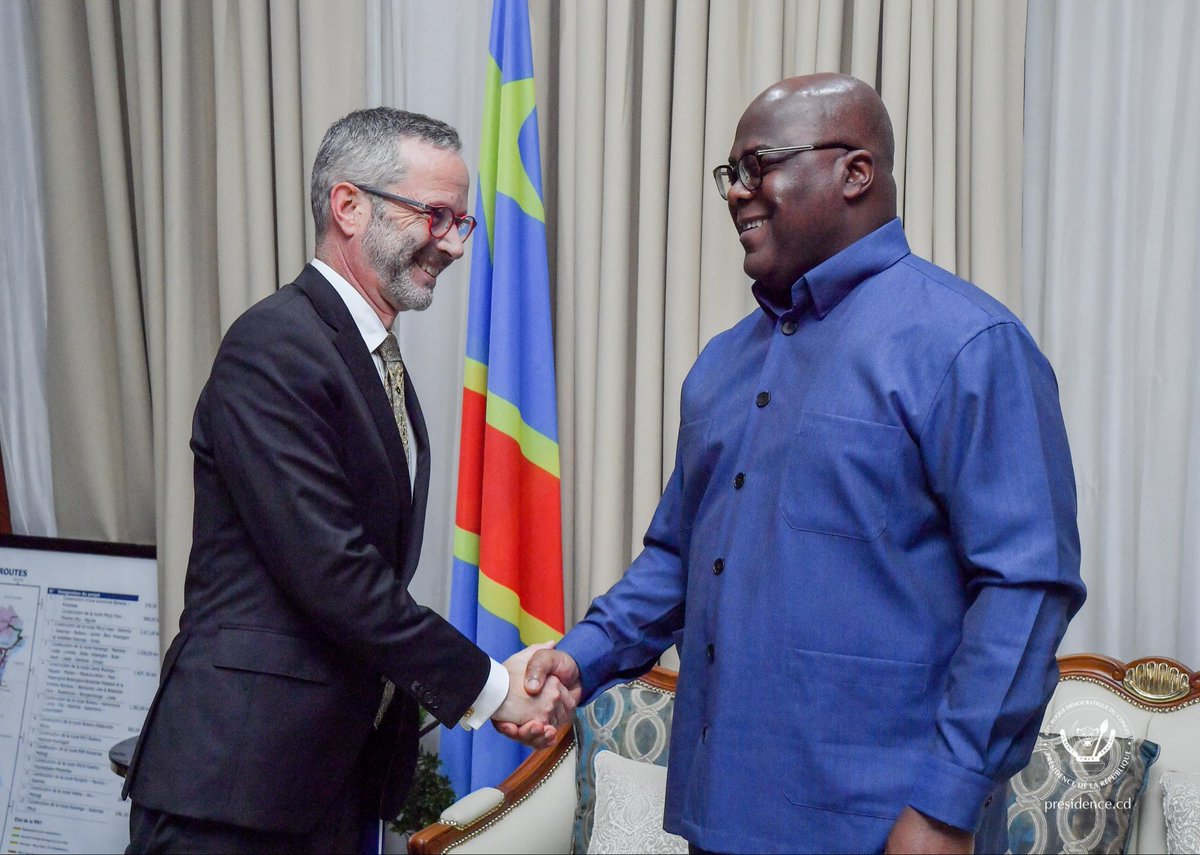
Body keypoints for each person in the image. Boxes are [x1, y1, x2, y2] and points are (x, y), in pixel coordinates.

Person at [506, 73, 1086, 854]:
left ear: (856, 173)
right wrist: (579, 661)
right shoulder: (719, 366)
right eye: (732, 174)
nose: (738, 193)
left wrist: (948, 804)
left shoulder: (968, 345)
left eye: (759, 165)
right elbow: (679, 559)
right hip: (721, 819)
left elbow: (1026, 585)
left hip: (891, 826)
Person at [122, 108, 575, 854]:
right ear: (348, 205)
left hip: (326, 781)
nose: (452, 244)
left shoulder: (374, 362)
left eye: (461, 223)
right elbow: (335, 572)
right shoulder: (274, 346)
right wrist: (491, 685)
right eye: (435, 215)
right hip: (236, 787)